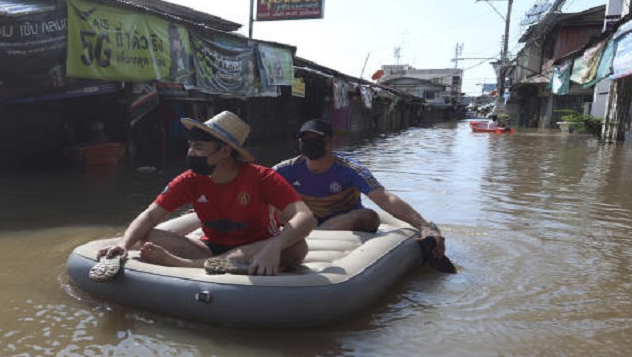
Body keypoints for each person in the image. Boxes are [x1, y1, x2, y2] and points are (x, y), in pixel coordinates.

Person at [93, 111, 316, 278]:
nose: (191, 152)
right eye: (190, 146)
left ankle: (185, 264)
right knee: (146, 236)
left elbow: (305, 217)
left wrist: (274, 246)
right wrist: (124, 243)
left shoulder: (261, 178)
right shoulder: (190, 179)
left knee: (297, 248)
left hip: (257, 246)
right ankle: (218, 263)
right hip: (210, 247)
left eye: (199, 147)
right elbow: (151, 215)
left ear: (225, 152)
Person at [273, 119, 447, 261]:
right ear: (299, 143)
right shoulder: (286, 169)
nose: (311, 144)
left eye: (317, 140)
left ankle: (311, 234)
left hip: (344, 220)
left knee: (369, 216)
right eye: (306, 140)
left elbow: (384, 198)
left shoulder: (350, 169)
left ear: (330, 143)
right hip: (306, 220)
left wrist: (425, 226)